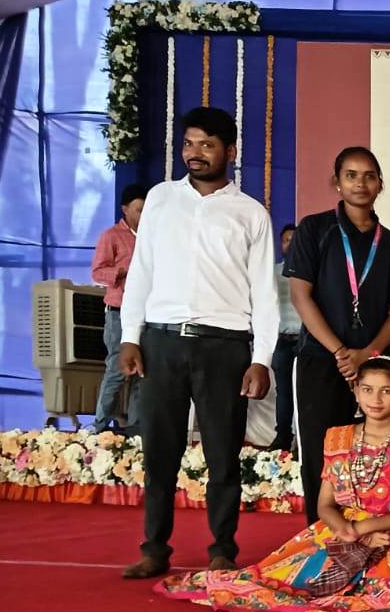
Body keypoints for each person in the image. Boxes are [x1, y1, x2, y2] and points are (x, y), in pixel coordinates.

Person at [158, 357, 390, 612]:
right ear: (355, 391)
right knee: (294, 576)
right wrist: (348, 530)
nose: (376, 399)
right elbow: (325, 505)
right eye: (367, 389)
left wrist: (366, 527)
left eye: (386, 390)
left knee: (384, 582)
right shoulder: (339, 438)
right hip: (344, 527)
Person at [117, 107, 277, 578]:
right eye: (189, 144)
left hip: (224, 346)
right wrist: (130, 337)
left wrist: (261, 359)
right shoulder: (161, 199)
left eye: (207, 145)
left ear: (230, 151)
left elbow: (264, 293)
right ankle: (154, 549)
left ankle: (222, 549)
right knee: (159, 452)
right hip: (162, 342)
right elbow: (141, 271)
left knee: (223, 454)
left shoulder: (251, 213)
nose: (195, 153)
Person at [284, 147, 390, 516]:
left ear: (380, 184)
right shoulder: (314, 229)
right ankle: (320, 531)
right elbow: (300, 295)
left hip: (375, 367)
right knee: (320, 450)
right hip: (320, 360)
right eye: (351, 175)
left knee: (370, 451)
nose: (360, 183)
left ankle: (364, 530)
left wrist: (368, 354)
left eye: (369, 176)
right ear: (337, 182)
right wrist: (341, 353)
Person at [91, 183, 146, 433]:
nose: (143, 215)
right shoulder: (111, 236)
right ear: (125, 209)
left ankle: (135, 429)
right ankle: (99, 427)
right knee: (116, 369)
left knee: (142, 372)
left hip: (146, 315)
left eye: (146, 210)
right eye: (138, 210)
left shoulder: (151, 236)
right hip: (119, 313)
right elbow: (97, 272)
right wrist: (124, 271)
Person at [270, 223, 300, 451]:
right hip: (281, 340)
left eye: (294, 240)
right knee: (283, 391)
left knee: (304, 392)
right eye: (286, 240)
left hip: (305, 341)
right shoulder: (272, 274)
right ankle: (282, 437)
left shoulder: (313, 273)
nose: (289, 244)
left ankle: (303, 440)